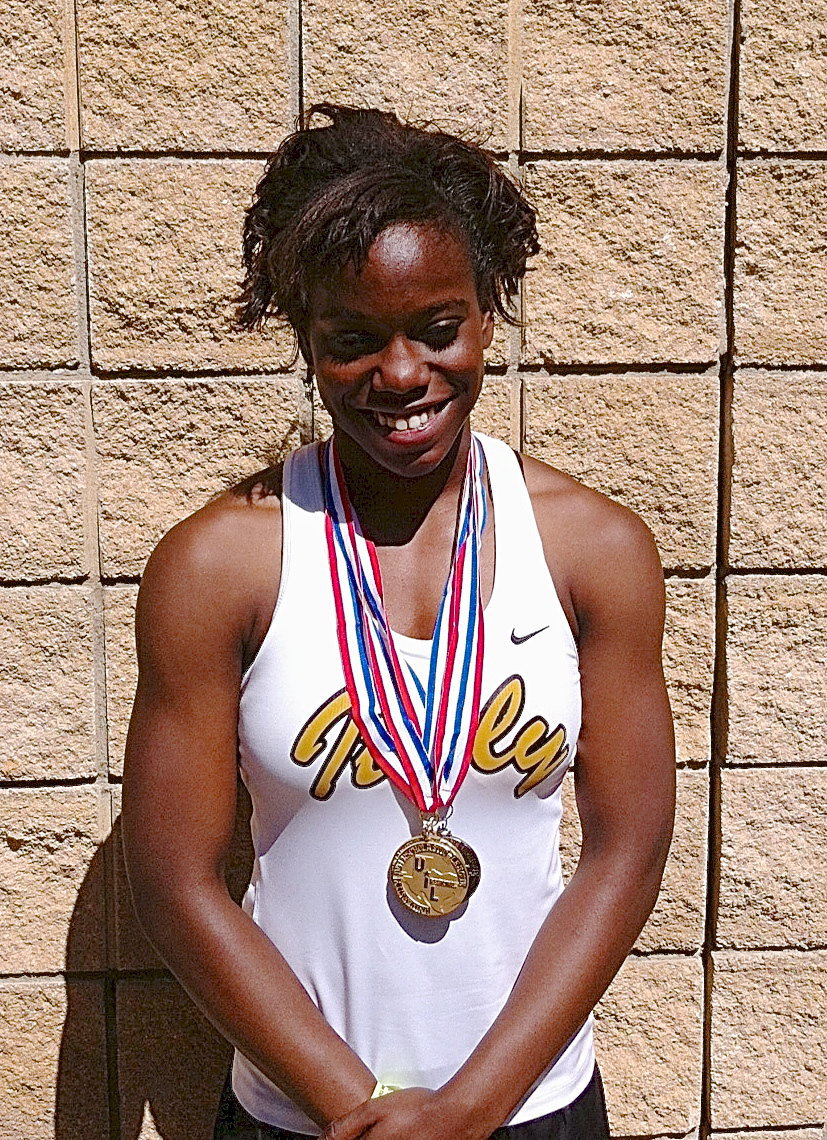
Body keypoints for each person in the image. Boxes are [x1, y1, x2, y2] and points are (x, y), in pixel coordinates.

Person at [122, 104, 675, 1140]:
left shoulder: (590, 549)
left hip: (533, 1107)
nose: (403, 375)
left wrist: (471, 1108)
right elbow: (173, 880)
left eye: (436, 328)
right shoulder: (219, 563)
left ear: (486, 317)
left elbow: (627, 850)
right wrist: (355, 1109)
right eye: (351, 340)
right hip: (303, 1116)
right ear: (303, 339)